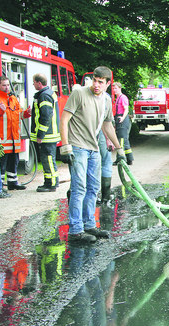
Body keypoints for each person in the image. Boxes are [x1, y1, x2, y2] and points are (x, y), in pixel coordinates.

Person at [59, 66, 125, 243]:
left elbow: (107, 126)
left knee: (93, 189)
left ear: (107, 84)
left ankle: (89, 225)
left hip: (94, 148)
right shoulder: (79, 94)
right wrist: (65, 147)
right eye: (94, 80)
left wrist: (119, 149)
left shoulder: (106, 100)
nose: (96, 85)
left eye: (100, 82)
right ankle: (75, 230)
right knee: (79, 188)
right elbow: (64, 119)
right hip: (78, 147)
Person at [0, 76, 31, 190]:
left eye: (8, 85)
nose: (7, 87)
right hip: (0, 140)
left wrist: (26, 113)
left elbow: (18, 115)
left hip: (13, 139)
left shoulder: (13, 98)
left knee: (14, 161)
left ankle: (13, 182)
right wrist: (0, 110)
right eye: (4, 85)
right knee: (1, 162)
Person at [31, 73, 60, 192]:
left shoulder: (44, 96)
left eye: (34, 82)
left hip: (47, 135)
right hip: (50, 134)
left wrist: (40, 134)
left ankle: (51, 184)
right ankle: (52, 181)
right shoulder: (48, 93)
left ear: (39, 83)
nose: (33, 84)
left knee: (48, 159)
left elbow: (46, 116)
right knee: (49, 159)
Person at [112, 82, 133, 165]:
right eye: (113, 89)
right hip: (118, 118)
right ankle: (129, 159)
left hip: (123, 119)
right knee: (124, 140)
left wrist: (122, 118)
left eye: (116, 88)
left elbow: (126, 110)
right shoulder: (117, 98)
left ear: (120, 88)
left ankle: (120, 158)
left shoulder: (123, 97)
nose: (114, 90)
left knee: (121, 140)